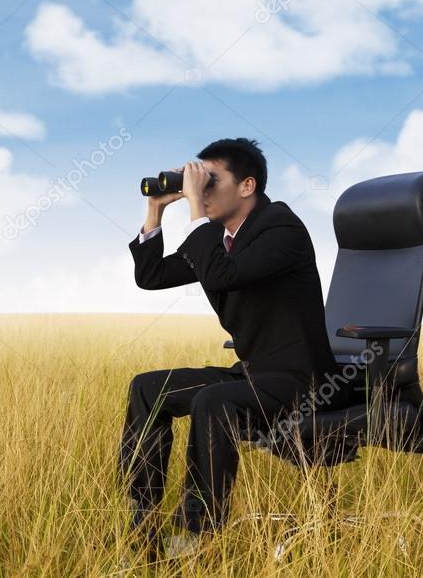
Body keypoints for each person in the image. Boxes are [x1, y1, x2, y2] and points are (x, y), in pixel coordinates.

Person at [118, 137, 352, 561]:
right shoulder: (220, 242)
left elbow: (223, 276)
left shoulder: (281, 228)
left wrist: (194, 211)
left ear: (246, 186)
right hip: (254, 373)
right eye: (199, 182)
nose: (202, 191)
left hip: (306, 381)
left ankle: (197, 534)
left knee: (214, 400)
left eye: (211, 182)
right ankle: (141, 517)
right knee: (147, 389)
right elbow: (151, 276)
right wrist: (156, 209)